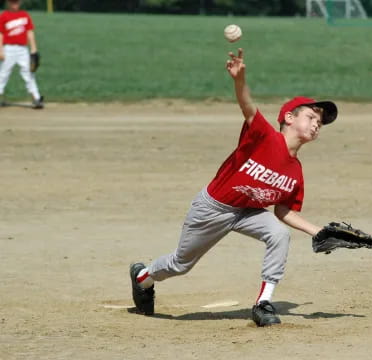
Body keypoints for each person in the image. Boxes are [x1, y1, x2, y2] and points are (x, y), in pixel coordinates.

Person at [130, 48, 338, 327]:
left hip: (248, 212)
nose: (317, 125)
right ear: (289, 117)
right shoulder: (264, 135)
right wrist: (239, 80)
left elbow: (284, 211)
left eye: (320, 123)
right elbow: (247, 105)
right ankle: (143, 278)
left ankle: (263, 303)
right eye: (312, 117)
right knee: (181, 264)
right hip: (213, 208)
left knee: (279, 234)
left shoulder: (296, 172)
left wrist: (319, 231)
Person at [0, 0, 43, 109]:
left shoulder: (25, 15)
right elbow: (0, 34)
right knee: (3, 74)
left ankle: (36, 98)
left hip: (22, 49)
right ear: (8, 3)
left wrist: (34, 49)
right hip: (8, 48)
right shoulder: (4, 16)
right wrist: (0, 50)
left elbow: (30, 32)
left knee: (29, 72)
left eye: (17, 2)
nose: (15, 4)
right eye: (13, 2)